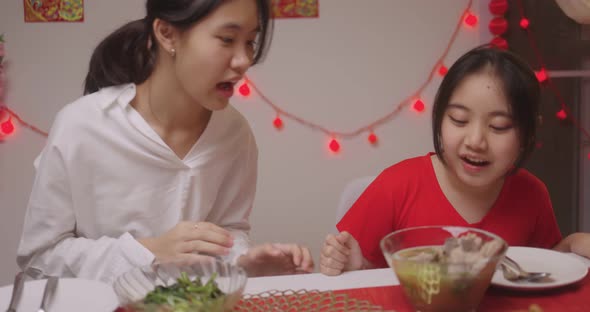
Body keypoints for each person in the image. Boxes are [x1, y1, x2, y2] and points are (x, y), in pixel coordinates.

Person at [17, 0, 313, 284]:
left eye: (250, 41)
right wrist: (147, 252)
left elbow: (226, 232)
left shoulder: (235, 134)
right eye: (226, 39)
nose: (244, 60)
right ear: (166, 33)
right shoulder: (81, 126)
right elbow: (40, 258)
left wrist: (243, 262)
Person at [320, 45, 590, 276]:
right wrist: (351, 266)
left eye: (498, 126)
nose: (475, 140)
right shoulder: (395, 186)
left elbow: (540, 271)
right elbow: (358, 274)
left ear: (527, 135)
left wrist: (569, 247)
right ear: (439, 119)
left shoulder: (532, 194)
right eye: (459, 120)